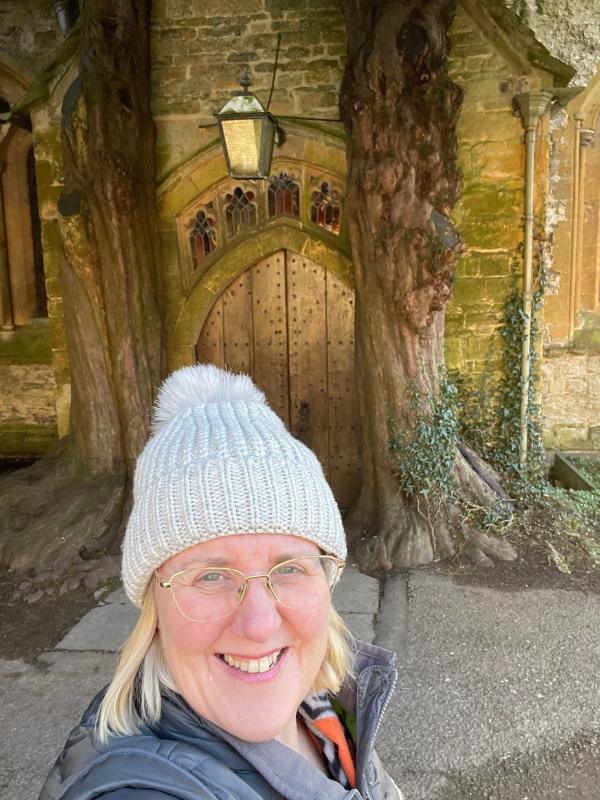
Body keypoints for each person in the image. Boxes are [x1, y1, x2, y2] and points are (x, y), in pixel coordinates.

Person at [39, 364, 402, 799]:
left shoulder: (327, 708)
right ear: (154, 608)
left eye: (289, 569)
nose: (260, 623)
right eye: (211, 575)